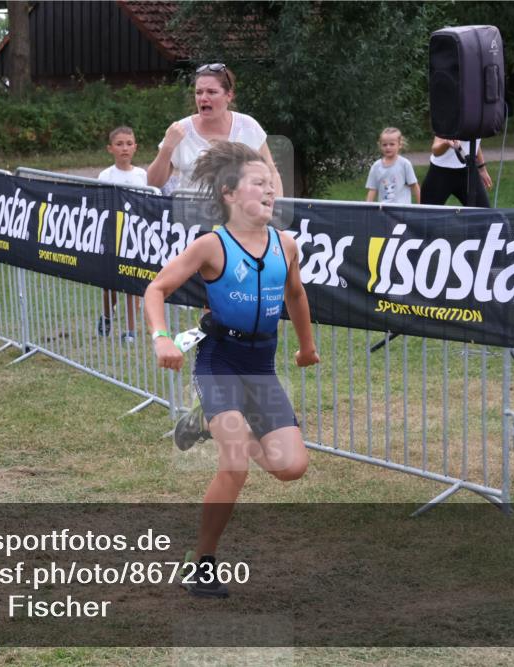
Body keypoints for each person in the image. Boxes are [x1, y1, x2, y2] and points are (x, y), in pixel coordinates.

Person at [144, 141, 319, 598]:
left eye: (271, 183)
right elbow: (157, 289)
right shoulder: (212, 245)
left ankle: (203, 423)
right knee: (236, 463)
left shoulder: (285, 245)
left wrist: (306, 347)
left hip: (260, 364)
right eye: (258, 183)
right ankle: (201, 562)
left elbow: (296, 295)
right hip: (219, 359)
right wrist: (161, 337)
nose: (270, 190)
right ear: (229, 193)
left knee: (291, 466)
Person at [147, 63, 283, 196]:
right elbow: (153, 183)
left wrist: (277, 207)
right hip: (190, 210)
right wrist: (167, 148)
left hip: (240, 211)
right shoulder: (181, 130)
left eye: (211, 92)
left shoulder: (248, 126)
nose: (203, 98)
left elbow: (272, 174)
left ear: (229, 96)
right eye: (199, 92)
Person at [97, 126, 147, 342]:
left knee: (132, 285)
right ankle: (107, 316)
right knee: (110, 286)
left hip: (134, 237)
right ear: (110, 148)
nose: (124, 148)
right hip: (111, 237)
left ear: (135, 147)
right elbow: (100, 205)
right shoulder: (105, 175)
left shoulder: (142, 175)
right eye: (119, 144)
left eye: (129, 144)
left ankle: (130, 330)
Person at [419, 136, 493, 207]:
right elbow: (435, 151)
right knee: (428, 213)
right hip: (440, 173)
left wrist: (482, 168)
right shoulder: (447, 126)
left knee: (483, 213)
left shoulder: (479, 126)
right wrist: (446, 143)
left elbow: (474, 141)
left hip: (468, 172)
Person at [365, 127, 420, 205]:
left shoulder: (405, 164)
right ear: (380, 146)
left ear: (399, 145)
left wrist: (420, 206)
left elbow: (414, 186)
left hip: (402, 208)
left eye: (392, 144)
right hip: (384, 208)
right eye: (384, 145)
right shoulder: (376, 166)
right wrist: (367, 208)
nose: (388, 147)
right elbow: (372, 190)